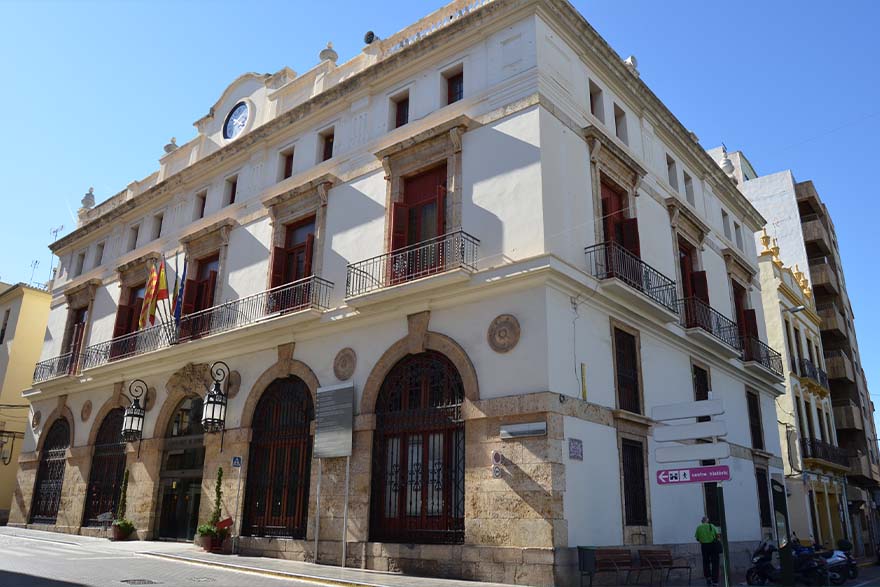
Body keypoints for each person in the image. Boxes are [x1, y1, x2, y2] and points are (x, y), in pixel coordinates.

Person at [695, 516, 721, 586]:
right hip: (713, 546)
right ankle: (715, 581)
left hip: (704, 546)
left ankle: (708, 578)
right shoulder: (712, 526)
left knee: (706, 562)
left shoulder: (698, 528)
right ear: (707, 520)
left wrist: (703, 540)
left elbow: (697, 538)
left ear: (702, 521)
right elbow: (718, 535)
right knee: (715, 563)